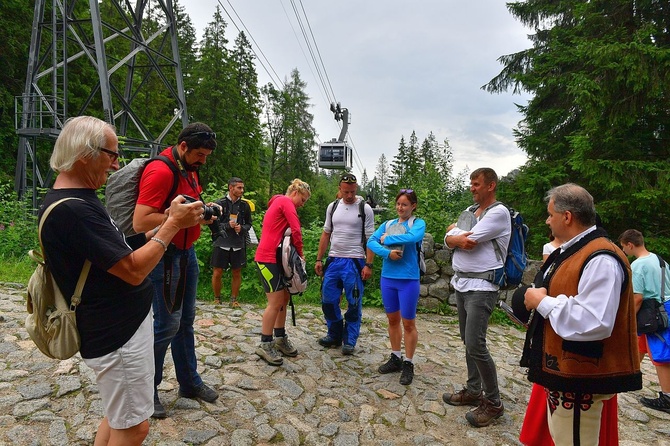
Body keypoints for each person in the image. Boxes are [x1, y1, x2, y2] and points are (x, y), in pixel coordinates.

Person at [39, 116, 203, 445]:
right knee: (134, 427)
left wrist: (161, 227)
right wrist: (172, 224)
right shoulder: (75, 210)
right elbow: (133, 269)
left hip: (118, 328)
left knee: (118, 417)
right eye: (112, 155)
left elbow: (116, 252)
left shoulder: (78, 198)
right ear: (86, 153)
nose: (116, 166)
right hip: (117, 334)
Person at [522, 183, 641, 445]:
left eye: (551, 214)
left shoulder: (601, 257)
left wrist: (542, 302)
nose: (547, 220)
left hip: (581, 378)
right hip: (569, 373)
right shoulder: (577, 250)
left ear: (567, 217)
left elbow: (594, 320)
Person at [133, 122, 220, 419]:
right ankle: (147, 388)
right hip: (163, 254)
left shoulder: (190, 169)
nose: (203, 161)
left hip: (187, 252)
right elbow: (141, 221)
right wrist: (179, 220)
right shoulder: (161, 171)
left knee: (185, 321)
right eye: (199, 154)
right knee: (166, 324)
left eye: (206, 156)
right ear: (182, 146)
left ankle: (189, 382)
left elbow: (186, 210)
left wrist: (203, 214)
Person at [441, 167, 510, 427]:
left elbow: (470, 238)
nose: (472, 187)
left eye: (477, 183)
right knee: (467, 341)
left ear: (491, 185)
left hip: (483, 286)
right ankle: (473, 391)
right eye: (471, 183)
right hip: (462, 283)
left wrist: (455, 235)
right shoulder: (470, 212)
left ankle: (493, 403)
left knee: (476, 343)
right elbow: (450, 238)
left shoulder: (499, 213)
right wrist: (453, 237)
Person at [367, 189, 425, 385]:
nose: (401, 208)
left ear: (413, 206)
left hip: (408, 279)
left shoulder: (417, 223)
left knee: (408, 323)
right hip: (388, 278)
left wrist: (387, 239)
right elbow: (371, 241)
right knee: (392, 320)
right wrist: (386, 253)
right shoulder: (388, 224)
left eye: (405, 204)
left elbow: (412, 238)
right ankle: (395, 357)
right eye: (398, 204)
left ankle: (408, 363)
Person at [315, 173, 375, 355]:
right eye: (346, 191)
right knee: (328, 300)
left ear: (356, 189)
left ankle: (349, 340)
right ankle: (334, 334)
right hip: (333, 260)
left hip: (355, 262)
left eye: (353, 191)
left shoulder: (365, 209)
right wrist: (319, 259)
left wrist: (368, 264)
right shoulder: (332, 207)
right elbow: (326, 234)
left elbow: (370, 238)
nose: (349, 195)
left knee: (354, 302)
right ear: (339, 189)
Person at [254, 179, 311, 366]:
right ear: (295, 192)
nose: (303, 205)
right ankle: (265, 343)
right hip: (267, 258)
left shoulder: (278, 202)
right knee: (275, 302)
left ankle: (279, 337)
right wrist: (301, 255)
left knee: (284, 299)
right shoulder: (286, 202)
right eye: (303, 200)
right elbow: (296, 229)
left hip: (276, 258)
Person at [619, 229, 670, 412]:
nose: (624, 251)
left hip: (653, 313)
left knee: (661, 356)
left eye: (624, 247)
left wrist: (627, 318)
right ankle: (629, 374)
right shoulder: (660, 260)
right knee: (641, 344)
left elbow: (638, 298)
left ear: (630, 245)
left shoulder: (639, 265)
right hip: (667, 308)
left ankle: (667, 398)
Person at [209, 177, 252, 307]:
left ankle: (234, 300)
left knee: (237, 272)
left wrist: (242, 228)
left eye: (242, 188)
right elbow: (213, 223)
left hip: (238, 243)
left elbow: (249, 224)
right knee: (217, 272)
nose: (242, 190)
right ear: (231, 188)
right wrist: (227, 225)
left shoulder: (245, 206)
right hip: (221, 242)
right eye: (239, 188)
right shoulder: (219, 203)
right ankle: (217, 298)